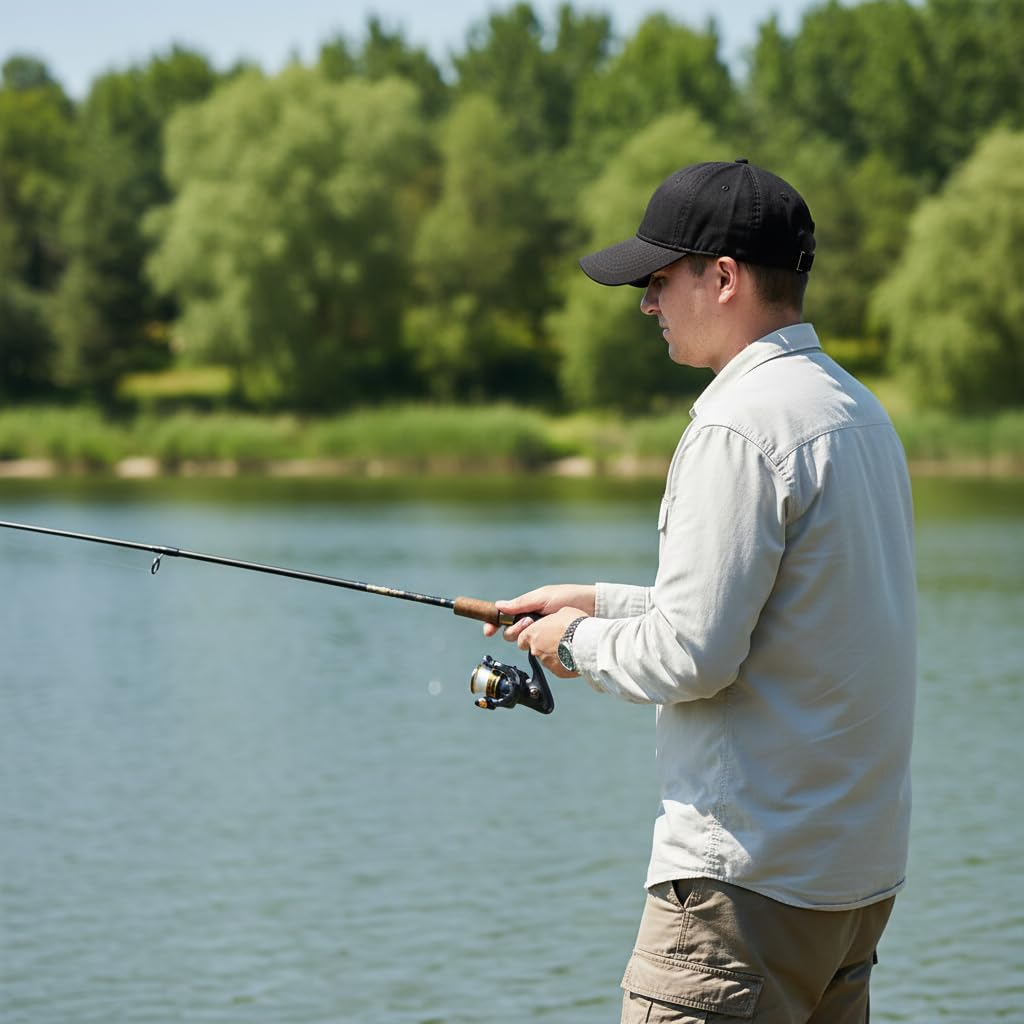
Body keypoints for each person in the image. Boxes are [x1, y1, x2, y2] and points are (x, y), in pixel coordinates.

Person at [485, 159, 916, 1023]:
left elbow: (695, 654)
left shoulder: (738, 423)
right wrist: (600, 603)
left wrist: (569, 643)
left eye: (658, 278)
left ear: (722, 278)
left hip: (741, 896)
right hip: (849, 892)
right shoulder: (856, 412)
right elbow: (774, 617)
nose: (647, 302)